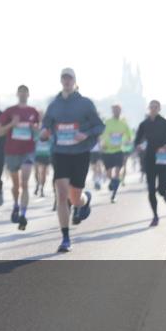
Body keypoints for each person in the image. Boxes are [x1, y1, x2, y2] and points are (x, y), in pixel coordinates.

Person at [41, 68, 104, 253]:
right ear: (61, 81)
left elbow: (100, 126)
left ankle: (85, 200)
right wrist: (44, 132)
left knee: (75, 198)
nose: (67, 81)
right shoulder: (54, 105)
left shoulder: (85, 104)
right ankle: (65, 238)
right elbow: (46, 124)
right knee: (61, 195)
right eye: (64, 78)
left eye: (70, 78)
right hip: (60, 153)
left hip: (80, 153)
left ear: (75, 81)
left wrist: (85, 134)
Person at [0, 85, 41, 230]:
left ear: (28, 94)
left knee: (25, 183)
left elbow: (39, 134)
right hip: (12, 151)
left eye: (24, 92)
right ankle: (15, 205)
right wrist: (11, 124)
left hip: (28, 151)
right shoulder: (9, 111)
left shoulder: (33, 112)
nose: (22, 94)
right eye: (20, 92)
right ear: (17, 94)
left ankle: (23, 215)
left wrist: (35, 129)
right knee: (16, 185)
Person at [133, 100, 166, 227]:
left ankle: (165, 192)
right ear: (148, 108)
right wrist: (139, 146)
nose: (153, 109)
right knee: (151, 189)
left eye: (155, 107)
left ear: (159, 109)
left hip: (163, 158)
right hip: (150, 158)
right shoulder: (144, 124)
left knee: (161, 189)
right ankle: (155, 216)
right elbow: (137, 140)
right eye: (151, 107)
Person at [100, 103, 133, 203]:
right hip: (107, 151)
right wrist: (102, 143)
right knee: (109, 174)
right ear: (112, 111)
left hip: (119, 150)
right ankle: (112, 182)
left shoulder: (124, 123)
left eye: (118, 110)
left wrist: (127, 141)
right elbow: (101, 134)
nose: (116, 112)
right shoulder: (107, 122)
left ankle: (114, 195)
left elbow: (130, 136)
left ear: (121, 111)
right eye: (114, 110)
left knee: (117, 172)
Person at [34, 130, 52, 201]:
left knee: (43, 174)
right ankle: (38, 184)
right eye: (42, 133)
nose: (44, 134)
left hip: (46, 157)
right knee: (36, 172)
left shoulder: (50, 140)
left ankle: (42, 189)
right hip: (37, 157)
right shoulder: (37, 139)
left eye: (45, 133)